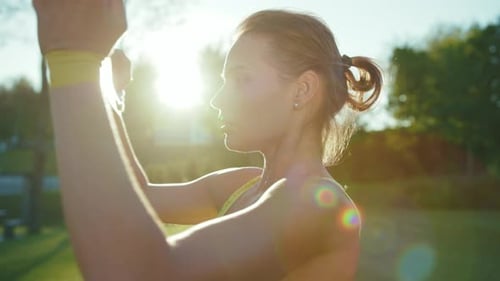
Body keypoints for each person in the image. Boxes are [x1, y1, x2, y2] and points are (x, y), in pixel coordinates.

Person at [33, 0, 382, 280]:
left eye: (240, 79)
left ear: (303, 90)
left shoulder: (319, 205)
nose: (217, 100)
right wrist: (110, 91)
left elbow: (138, 272)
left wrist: (73, 57)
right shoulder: (242, 185)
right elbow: (137, 191)